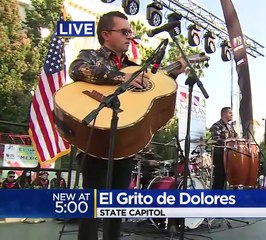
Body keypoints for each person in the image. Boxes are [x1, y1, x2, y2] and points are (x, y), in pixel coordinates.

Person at [69, 11, 185, 240]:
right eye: (124, 31)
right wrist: (120, 78)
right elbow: (77, 69)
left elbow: (147, 97)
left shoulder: (134, 67)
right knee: (91, 207)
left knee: (116, 208)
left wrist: (174, 75)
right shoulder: (91, 55)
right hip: (95, 138)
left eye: (131, 32)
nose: (130, 36)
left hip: (123, 143)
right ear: (106, 34)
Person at [210, 107, 238, 189]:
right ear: (224, 114)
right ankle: (216, 198)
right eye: (230, 113)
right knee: (219, 178)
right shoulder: (216, 126)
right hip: (220, 155)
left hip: (231, 155)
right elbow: (216, 140)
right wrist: (230, 143)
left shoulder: (231, 127)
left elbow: (236, 138)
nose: (232, 115)